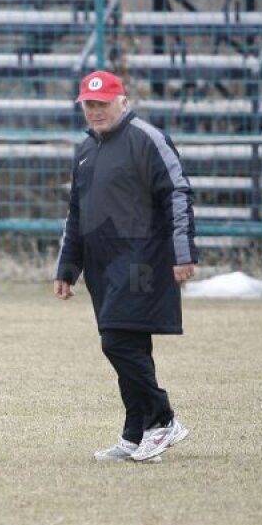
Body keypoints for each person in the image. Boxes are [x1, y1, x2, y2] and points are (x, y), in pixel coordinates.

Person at [54, 70, 198, 463]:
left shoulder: (147, 139)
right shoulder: (85, 149)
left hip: (143, 261)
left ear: (122, 101)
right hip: (104, 267)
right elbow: (77, 213)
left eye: (102, 104)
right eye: (89, 104)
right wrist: (68, 267)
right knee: (129, 344)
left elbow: (178, 193)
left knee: (117, 341)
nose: (96, 111)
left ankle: (164, 418)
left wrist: (183, 252)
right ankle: (136, 434)